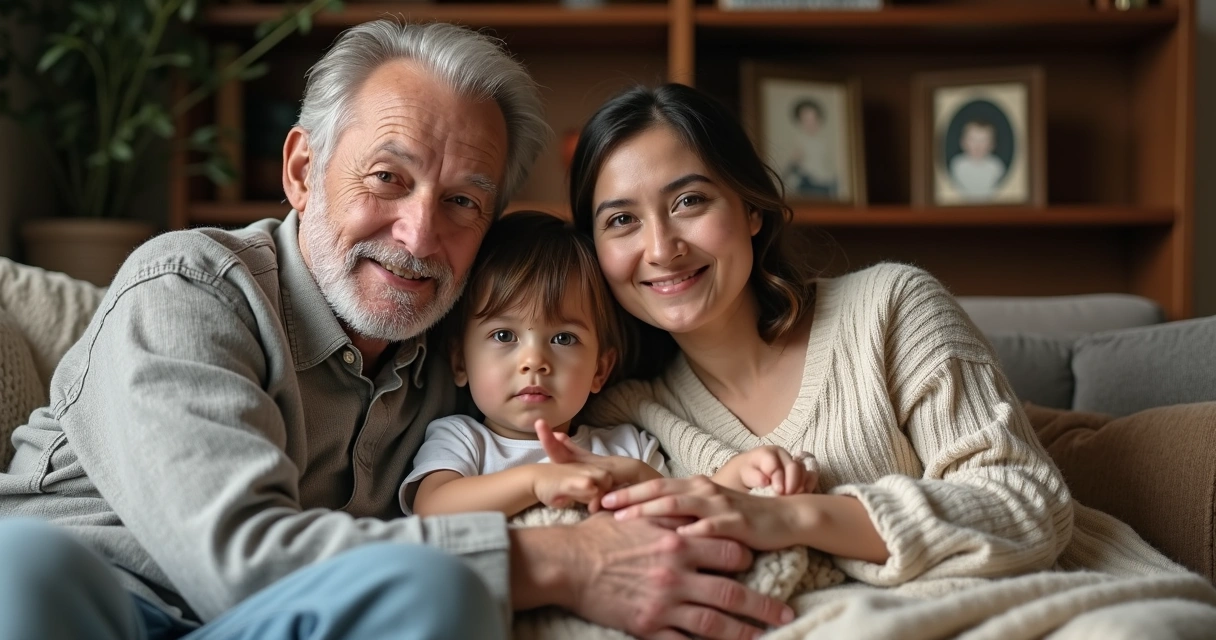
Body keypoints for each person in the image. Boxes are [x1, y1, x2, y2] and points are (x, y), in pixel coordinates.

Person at [0, 24, 794, 640]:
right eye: (388, 178)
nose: (418, 237)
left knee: (433, 587)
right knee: (20, 568)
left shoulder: (459, 347)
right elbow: (237, 560)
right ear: (304, 171)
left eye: (462, 203)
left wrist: (745, 477)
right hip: (95, 599)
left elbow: (608, 416)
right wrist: (560, 561)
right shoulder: (188, 287)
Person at [563, 83, 1216, 638]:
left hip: (1052, 606)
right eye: (621, 221)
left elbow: (1028, 505)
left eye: (689, 202)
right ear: (594, 250)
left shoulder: (891, 308)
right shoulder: (624, 408)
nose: (661, 247)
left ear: (751, 207)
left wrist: (786, 517)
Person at [404, 211, 815, 519]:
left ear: (600, 370)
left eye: (564, 339)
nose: (534, 361)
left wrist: (741, 474)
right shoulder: (463, 441)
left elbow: (683, 508)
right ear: (460, 361)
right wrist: (536, 481)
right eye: (504, 336)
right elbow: (433, 509)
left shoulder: (624, 447)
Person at [784, 99, 838, 199]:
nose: (810, 123)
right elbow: (791, 168)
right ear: (800, 121)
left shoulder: (825, 141)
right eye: (806, 120)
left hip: (825, 183)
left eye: (813, 119)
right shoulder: (798, 141)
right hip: (808, 184)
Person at [948, 119, 1006, 200]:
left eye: (983, 141)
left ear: (992, 145)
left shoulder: (996, 166)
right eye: (973, 140)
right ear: (963, 142)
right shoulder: (957, 165)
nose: (977, 145)